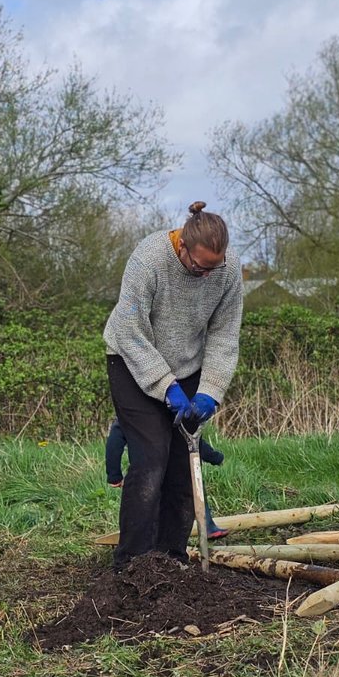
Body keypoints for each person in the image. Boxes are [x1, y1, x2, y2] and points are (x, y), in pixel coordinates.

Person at [104, 200, 243, 570]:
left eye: (215, 267)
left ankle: (171, 560)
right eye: (200, 266)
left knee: (183, 465)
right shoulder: (148, 260)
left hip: (189, 366)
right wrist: (165, 386)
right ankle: (133, 564)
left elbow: (225, 335)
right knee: (151, 459)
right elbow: (129, 332)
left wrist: (210, 390)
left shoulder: (227, 273)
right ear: (182, 245)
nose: (207, 275)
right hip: (133, 362)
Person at [105, 417, 228, 539]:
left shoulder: (129, 413)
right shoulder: (173, 411)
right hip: (178, 467)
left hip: (147, 471)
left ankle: (148, 538)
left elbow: (114, 443)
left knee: (146, 503)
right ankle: (207, 527)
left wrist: (114, 475)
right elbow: (194, 440)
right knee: (195, 490)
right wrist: (215, 457)